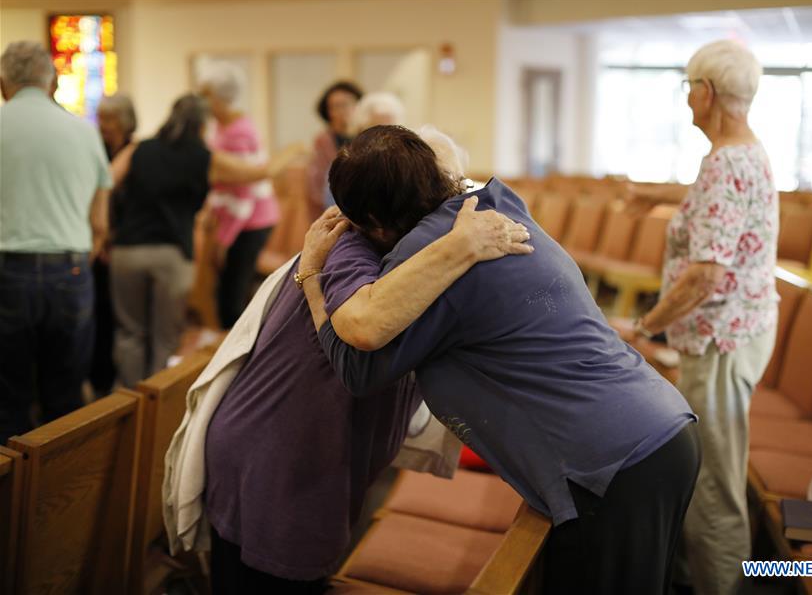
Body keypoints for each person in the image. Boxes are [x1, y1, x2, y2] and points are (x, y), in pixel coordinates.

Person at [301, 125, 702, 594]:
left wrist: (313, 274)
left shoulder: (429, 257)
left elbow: (357, 367)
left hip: (613, 462)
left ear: (372, 219)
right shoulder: (495, 204)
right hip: (656, 430)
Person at [163, 128, 531, 593]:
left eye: (454, 190)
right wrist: (462, 245)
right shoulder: (348, 247)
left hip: (305, 452)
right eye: (437, 194)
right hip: (279, 458)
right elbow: (361, 328)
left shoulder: (403, 248)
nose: (449, 208)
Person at [626, 40, 778, 595]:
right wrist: (654, 193)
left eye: (689, 86)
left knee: (713, 483)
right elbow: (716, 206)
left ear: (706, 92)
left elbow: (706, 276)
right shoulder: (741, 153)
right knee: (709, 471)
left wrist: (645, 327)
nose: (688, 97)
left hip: (720, 340)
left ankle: (723, 586)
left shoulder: (725, 162)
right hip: (737, 333)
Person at [108, 94, 298, 388]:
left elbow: (107, 181)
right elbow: (260, 173)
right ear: (202, 125)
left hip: (127, 251)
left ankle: (125, 403)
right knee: (165, 336)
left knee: (129, 333)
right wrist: (292, 150)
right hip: (172, 255)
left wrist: (107, 231)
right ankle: (154, 403)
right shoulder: (204, 158)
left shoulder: (138, 149)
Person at [0, 41, 112, 442]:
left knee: (8, 395)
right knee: (64, 395)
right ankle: (59, 496)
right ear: (52, 82)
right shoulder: (83, 131)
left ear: (3, 83)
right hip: (71, 267)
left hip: (7, 269)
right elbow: (99, 221)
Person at [199, 62, 280, 329]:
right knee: (230, 290)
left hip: (249, 222)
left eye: (205, 95)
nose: (203, 101)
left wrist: (224, 239)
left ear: (219, 98)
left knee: (231, 297)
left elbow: (244, 191)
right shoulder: (225, 126)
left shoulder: (238, 132)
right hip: (239, 221)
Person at [90, 93, 138, 397]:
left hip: (122, 244)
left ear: (124, 121)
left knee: (120, 320)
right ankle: (99, 383)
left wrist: (113, 237)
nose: (103, 125)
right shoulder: (95, 148)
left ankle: (119, 386)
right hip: (98, 245)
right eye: (101, 118)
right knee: (99, 318)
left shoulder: (137, 151)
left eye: (108, 119)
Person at [307, 81, 363, 215]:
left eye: (346, 104)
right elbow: (317, 184)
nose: (342, 110)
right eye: (335, 106)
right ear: (328, 112)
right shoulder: (322, 141)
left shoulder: (366, 135)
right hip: (334, 208)